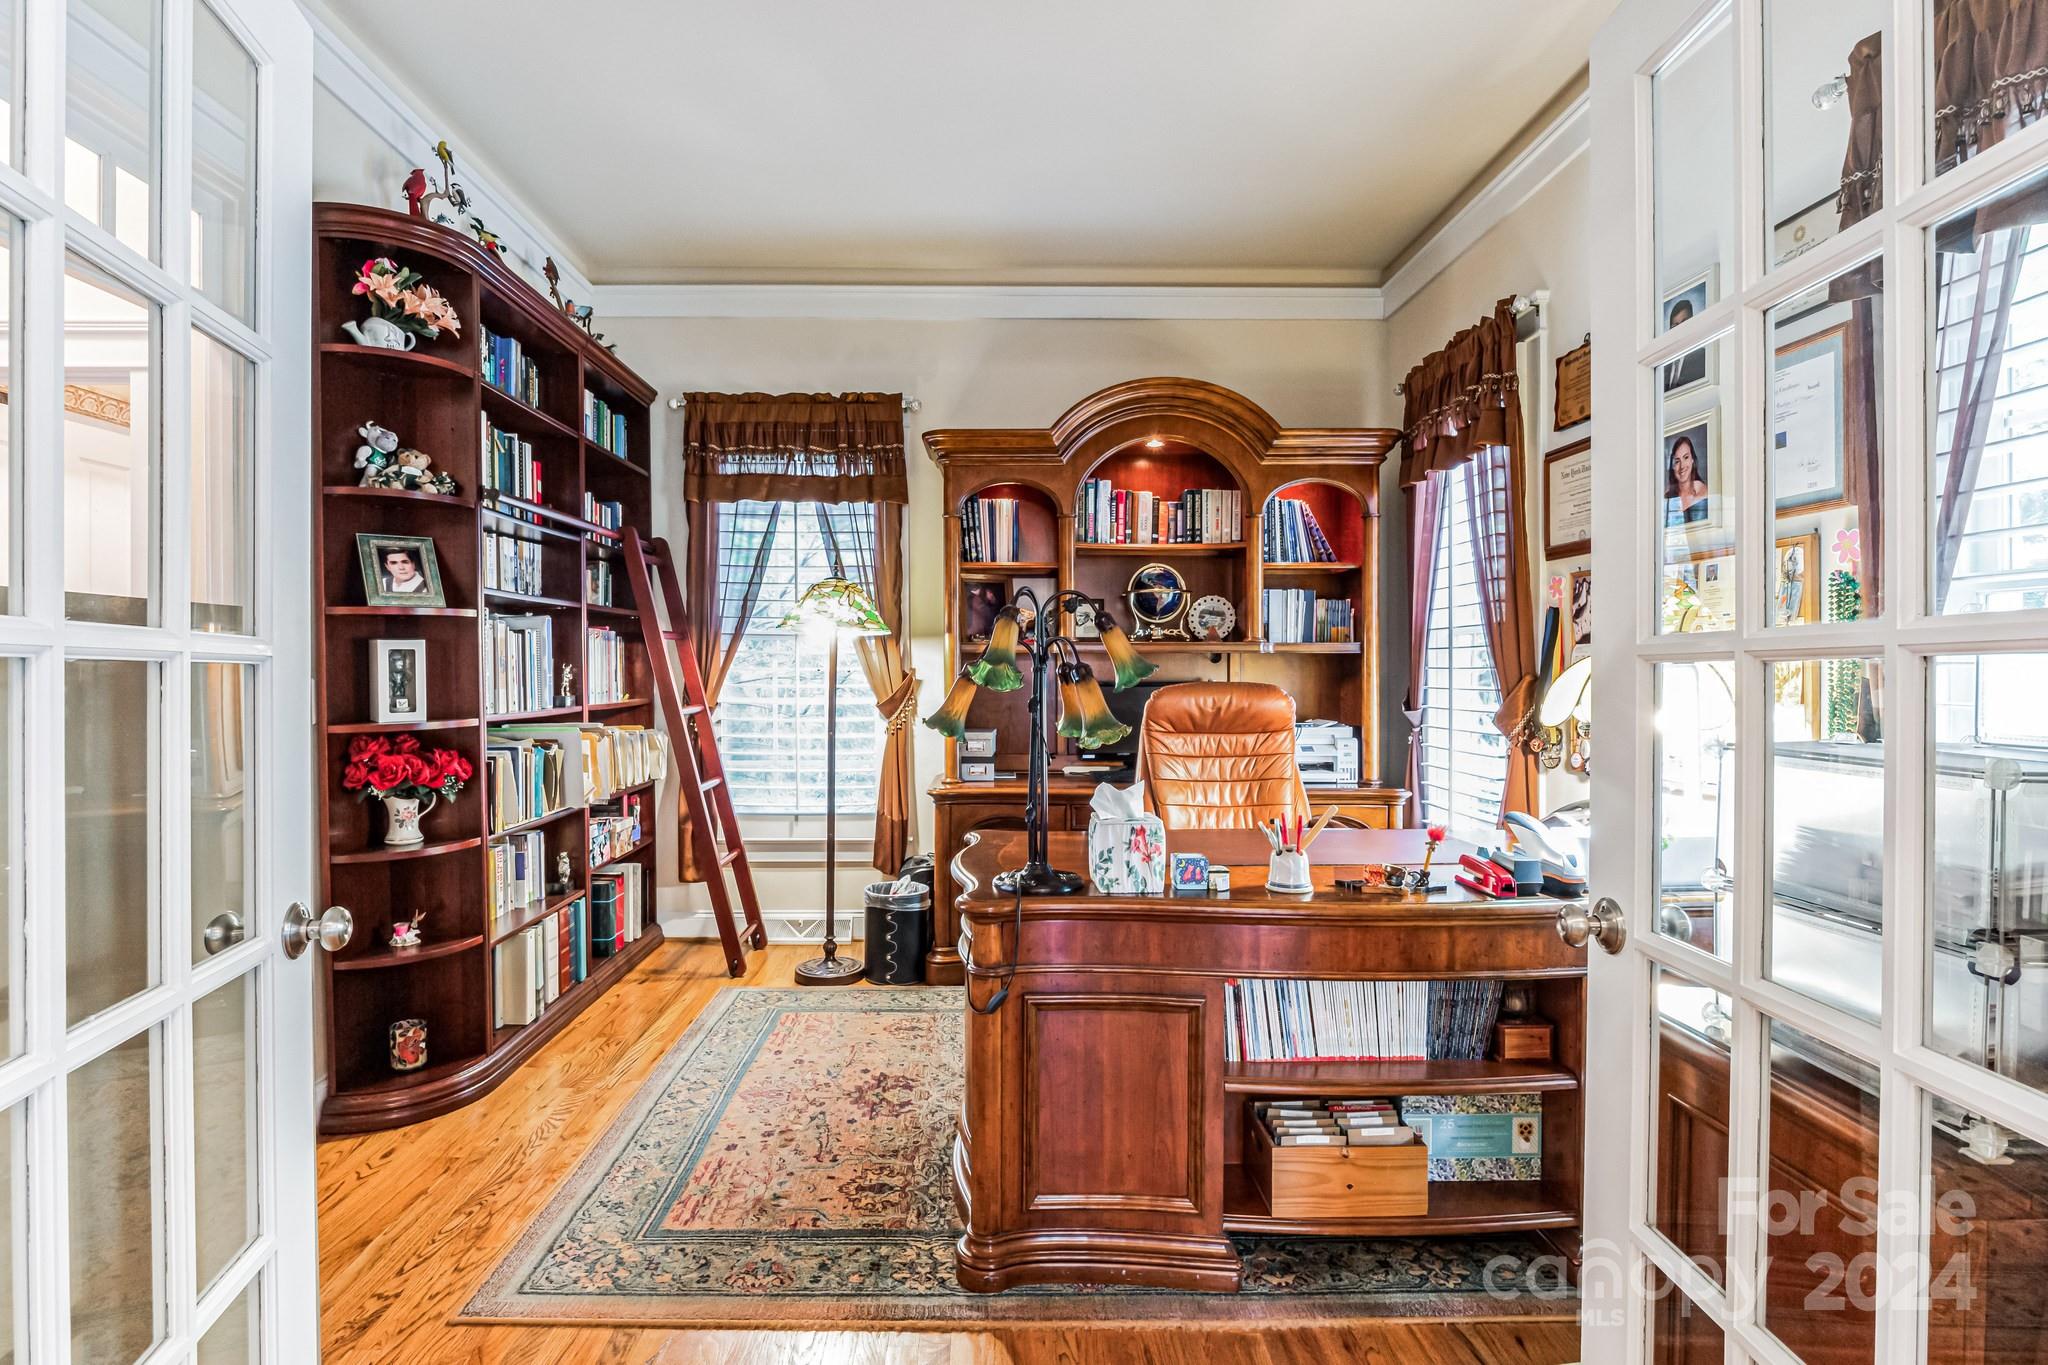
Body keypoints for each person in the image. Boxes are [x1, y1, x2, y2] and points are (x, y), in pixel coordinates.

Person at [1665, 435, 1710, 526]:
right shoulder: (1667, 497)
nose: (1682, 466)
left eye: (1686, 457)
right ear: (1672, 466)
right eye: (1677, 461)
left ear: (1692, 459)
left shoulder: (1702, 491)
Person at [1663, 297, 1706, 390]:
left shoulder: (1703, 357)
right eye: (1675, 326)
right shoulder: (1663, 367)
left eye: (1685, 323)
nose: (1680, 329)